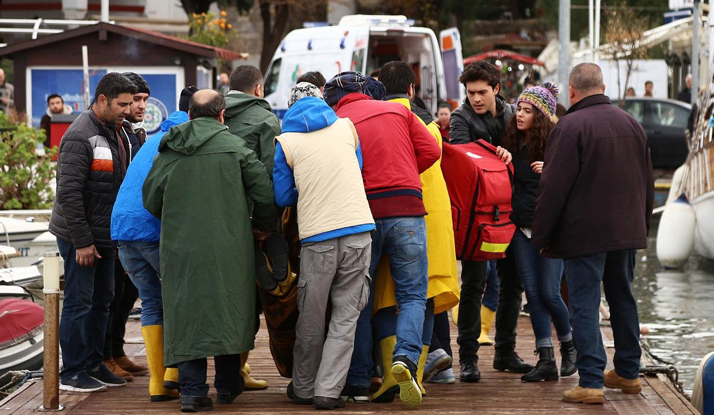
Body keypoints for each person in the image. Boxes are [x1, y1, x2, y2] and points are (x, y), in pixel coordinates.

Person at [143, 89, 279, 412]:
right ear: (222, 116)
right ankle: (228, 386)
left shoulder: (170, 150)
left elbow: (151, 199)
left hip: (181, 248)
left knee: (187, 312)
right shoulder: (236, 148)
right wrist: (262, 226)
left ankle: (191, 392)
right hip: (230, 247)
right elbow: (263, 192)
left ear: (190, 116)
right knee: (228, 308)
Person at [532, 63, 654, 404]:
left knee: (584, 304)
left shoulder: (570, 127)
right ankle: (629, 373)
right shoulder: (632, 124)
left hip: (584, 233)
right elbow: (646, 183)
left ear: (571, 91)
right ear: (602, 86)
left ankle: (590, 381)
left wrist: (540, 237)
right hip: (626, 230)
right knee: (623, 299)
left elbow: (553, 188)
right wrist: (642, 226)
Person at [325, 71, 440, 407]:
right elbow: (431, 152)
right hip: (407, 207)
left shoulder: (337, 120)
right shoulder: (400, 111)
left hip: (362, 213)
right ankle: (405, 358)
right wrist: (403, 173)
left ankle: (359, 381)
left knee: (359, 297)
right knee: (413, 295)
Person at [274, 82, 375, 410]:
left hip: (317, 236)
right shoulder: (346, 127)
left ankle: (303, 388)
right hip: (358, 227)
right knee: (346, 315)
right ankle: (328, 391)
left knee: (311, 315)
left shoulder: (285, 142)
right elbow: (357, 169)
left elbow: (282, 196)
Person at [371, 61, 460, 401]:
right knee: (420, 299)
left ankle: (389, 375)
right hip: (429, 220)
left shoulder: (377, 119)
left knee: (383, 300)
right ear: (411, 89)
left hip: (386, 213)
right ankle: (415, 373)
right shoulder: (428, 123)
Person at [50, 72, 137, 392]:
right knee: (78, 303)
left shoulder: (116, 131)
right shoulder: (80, 135)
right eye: (122, 104)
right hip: (80, 236)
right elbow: (69, 194)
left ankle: (93, 361)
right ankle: (72, 370)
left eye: (129, 104)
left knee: (104, 300)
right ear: (102, 100)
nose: (127, 110)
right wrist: (83, 242)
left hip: (105, 234)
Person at [449, 61, 533, 382]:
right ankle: (468, 358)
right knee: (473, 284)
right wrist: (491, 151)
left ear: (496, 89)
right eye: (470, 93)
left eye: (482, 92)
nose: (476, 99)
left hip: (510, 211)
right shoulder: (461, 116)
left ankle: (505, 352)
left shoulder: (513, 114)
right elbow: (460, 157)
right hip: (479, 214)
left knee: (513, 285)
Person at [111, 86, 194, 401]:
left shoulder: (154, 139)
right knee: (180, 296)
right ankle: (174, 372)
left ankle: (157, 383)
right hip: (149, 229)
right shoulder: (183, 141)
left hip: (121, 230)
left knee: (151, 301)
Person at [502, 82, 576, 383]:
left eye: (527, 110)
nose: (519, 115)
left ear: (542, 115)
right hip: (520, 226)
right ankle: (545, 358)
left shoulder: (557, 145)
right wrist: (502, 157)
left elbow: (574, 180)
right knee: (532, 295)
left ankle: (569, 347)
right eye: (519, 108)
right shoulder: (513, 143)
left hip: (549, 228)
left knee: (549, 291)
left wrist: (552, 170)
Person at [225, 64, 283, 390]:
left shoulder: (211, 113)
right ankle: (238, 369)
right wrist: (267, 225)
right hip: (249, 220)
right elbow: (269, 176)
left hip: (214, 218)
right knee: (250, 298)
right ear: (259, 89)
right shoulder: (264, 118)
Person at [102, 72, 151, 382]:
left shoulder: (137, 134)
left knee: (127, 293)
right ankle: (105, 355)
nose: (140, 105)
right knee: (112, 295)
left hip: (129, 228)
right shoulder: (116, 132)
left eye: (145, 100)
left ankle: (116, 350)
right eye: (136, 100)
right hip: (113, 227)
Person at [224, 65, 281, 173]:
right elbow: (271, 167)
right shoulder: (267, 119)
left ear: (229, 89)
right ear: (258, 89)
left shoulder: (212, 111)